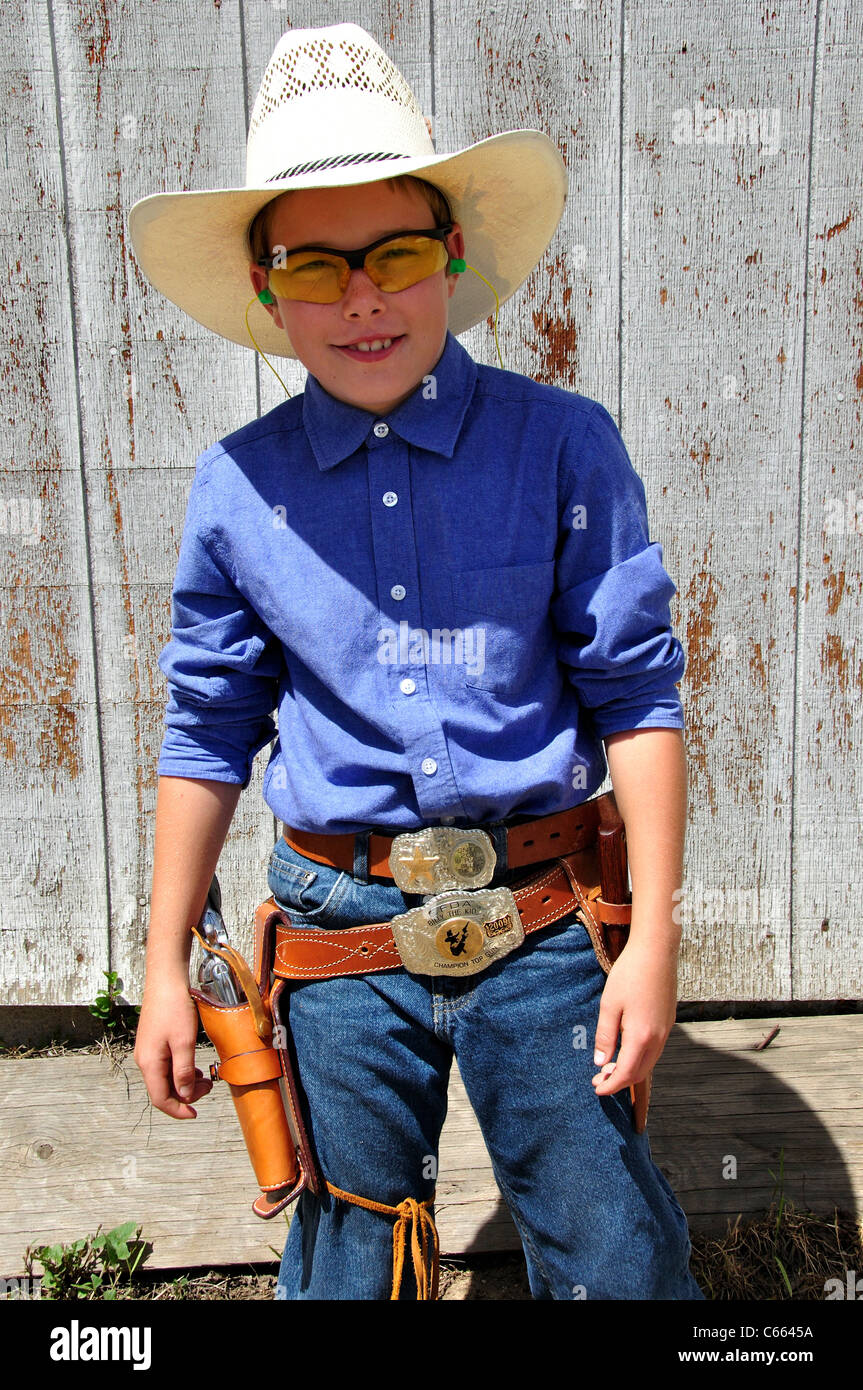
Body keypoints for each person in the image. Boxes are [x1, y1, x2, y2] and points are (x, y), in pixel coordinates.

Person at [129, 22, 705, 1301]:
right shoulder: (236, 492)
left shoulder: (561, 446)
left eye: (393, 253)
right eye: (315, 265)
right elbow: (206, 729)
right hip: (336, 937)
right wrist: (164, 965)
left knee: (615, 1254)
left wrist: (653, 937)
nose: (361, 297)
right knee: (347, 1264)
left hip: (547, 921)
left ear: (451, 257)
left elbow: (636, 694)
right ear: (268, 287)